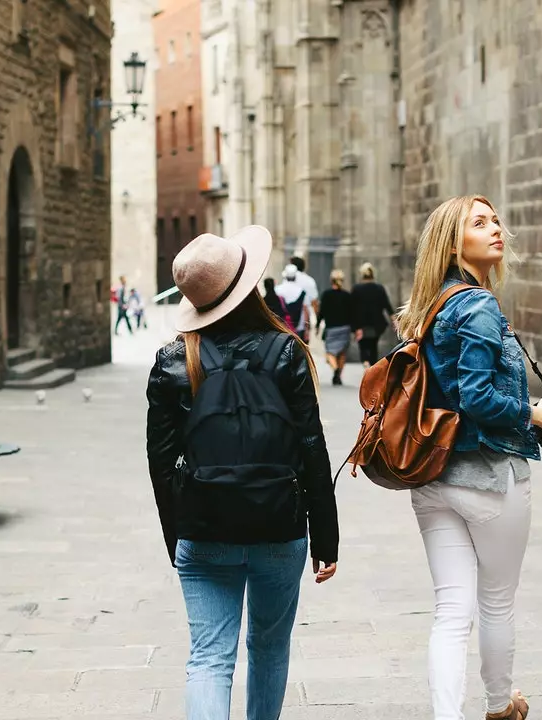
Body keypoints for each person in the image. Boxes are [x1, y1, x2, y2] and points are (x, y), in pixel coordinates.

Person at [146, 226, 340, 720]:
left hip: (204, 526)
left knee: (209, 659)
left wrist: (177, 536)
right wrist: (326, 539)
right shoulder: (286, 351)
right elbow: (312, 447)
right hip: (280, 527)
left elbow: (161, 462)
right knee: (270, 649)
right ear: (250, 286)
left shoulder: (173, 360)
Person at [396, 195, 542, 720]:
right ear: (454, 243)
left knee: (451, 611)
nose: (496, 228)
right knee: (496, 601)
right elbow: (477, 398)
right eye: (480, 223)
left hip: (431, 478)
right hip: (489, 477)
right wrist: (535, 414)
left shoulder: (431, 307)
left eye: (496, 219)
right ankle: (499, 707)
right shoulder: (477, 306)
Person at [350, 262, 395, 368]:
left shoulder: (356, 289)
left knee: (363, 345)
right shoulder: (379, 288)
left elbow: (352, 309)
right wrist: (394, 320)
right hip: (376, 323)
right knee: (373, 345)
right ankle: (372, 365)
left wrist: (354, 326)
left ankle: (366, 362)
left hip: (361, 324)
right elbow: (387, 305)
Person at [318, 269, 353, 386]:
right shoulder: (347, 295)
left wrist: (318, 325)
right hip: (345, 327)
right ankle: (338, 375)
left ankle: (335, 369)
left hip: (331, 327)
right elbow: (352, 312)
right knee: (342, 352)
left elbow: (321, 312)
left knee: (329, 352)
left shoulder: (326, 295)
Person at [288, 255, 320, 338]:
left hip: (287, 321)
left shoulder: (287, 280)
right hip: (303, 322)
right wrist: (317, 322)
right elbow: (314, 303)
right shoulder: (309, 281)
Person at [276, 264, 309, 339]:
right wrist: (307, 329)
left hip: (281, 327)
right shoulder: (301, 291)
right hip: (298, 328)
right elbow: (305, 310)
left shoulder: (277, 290)